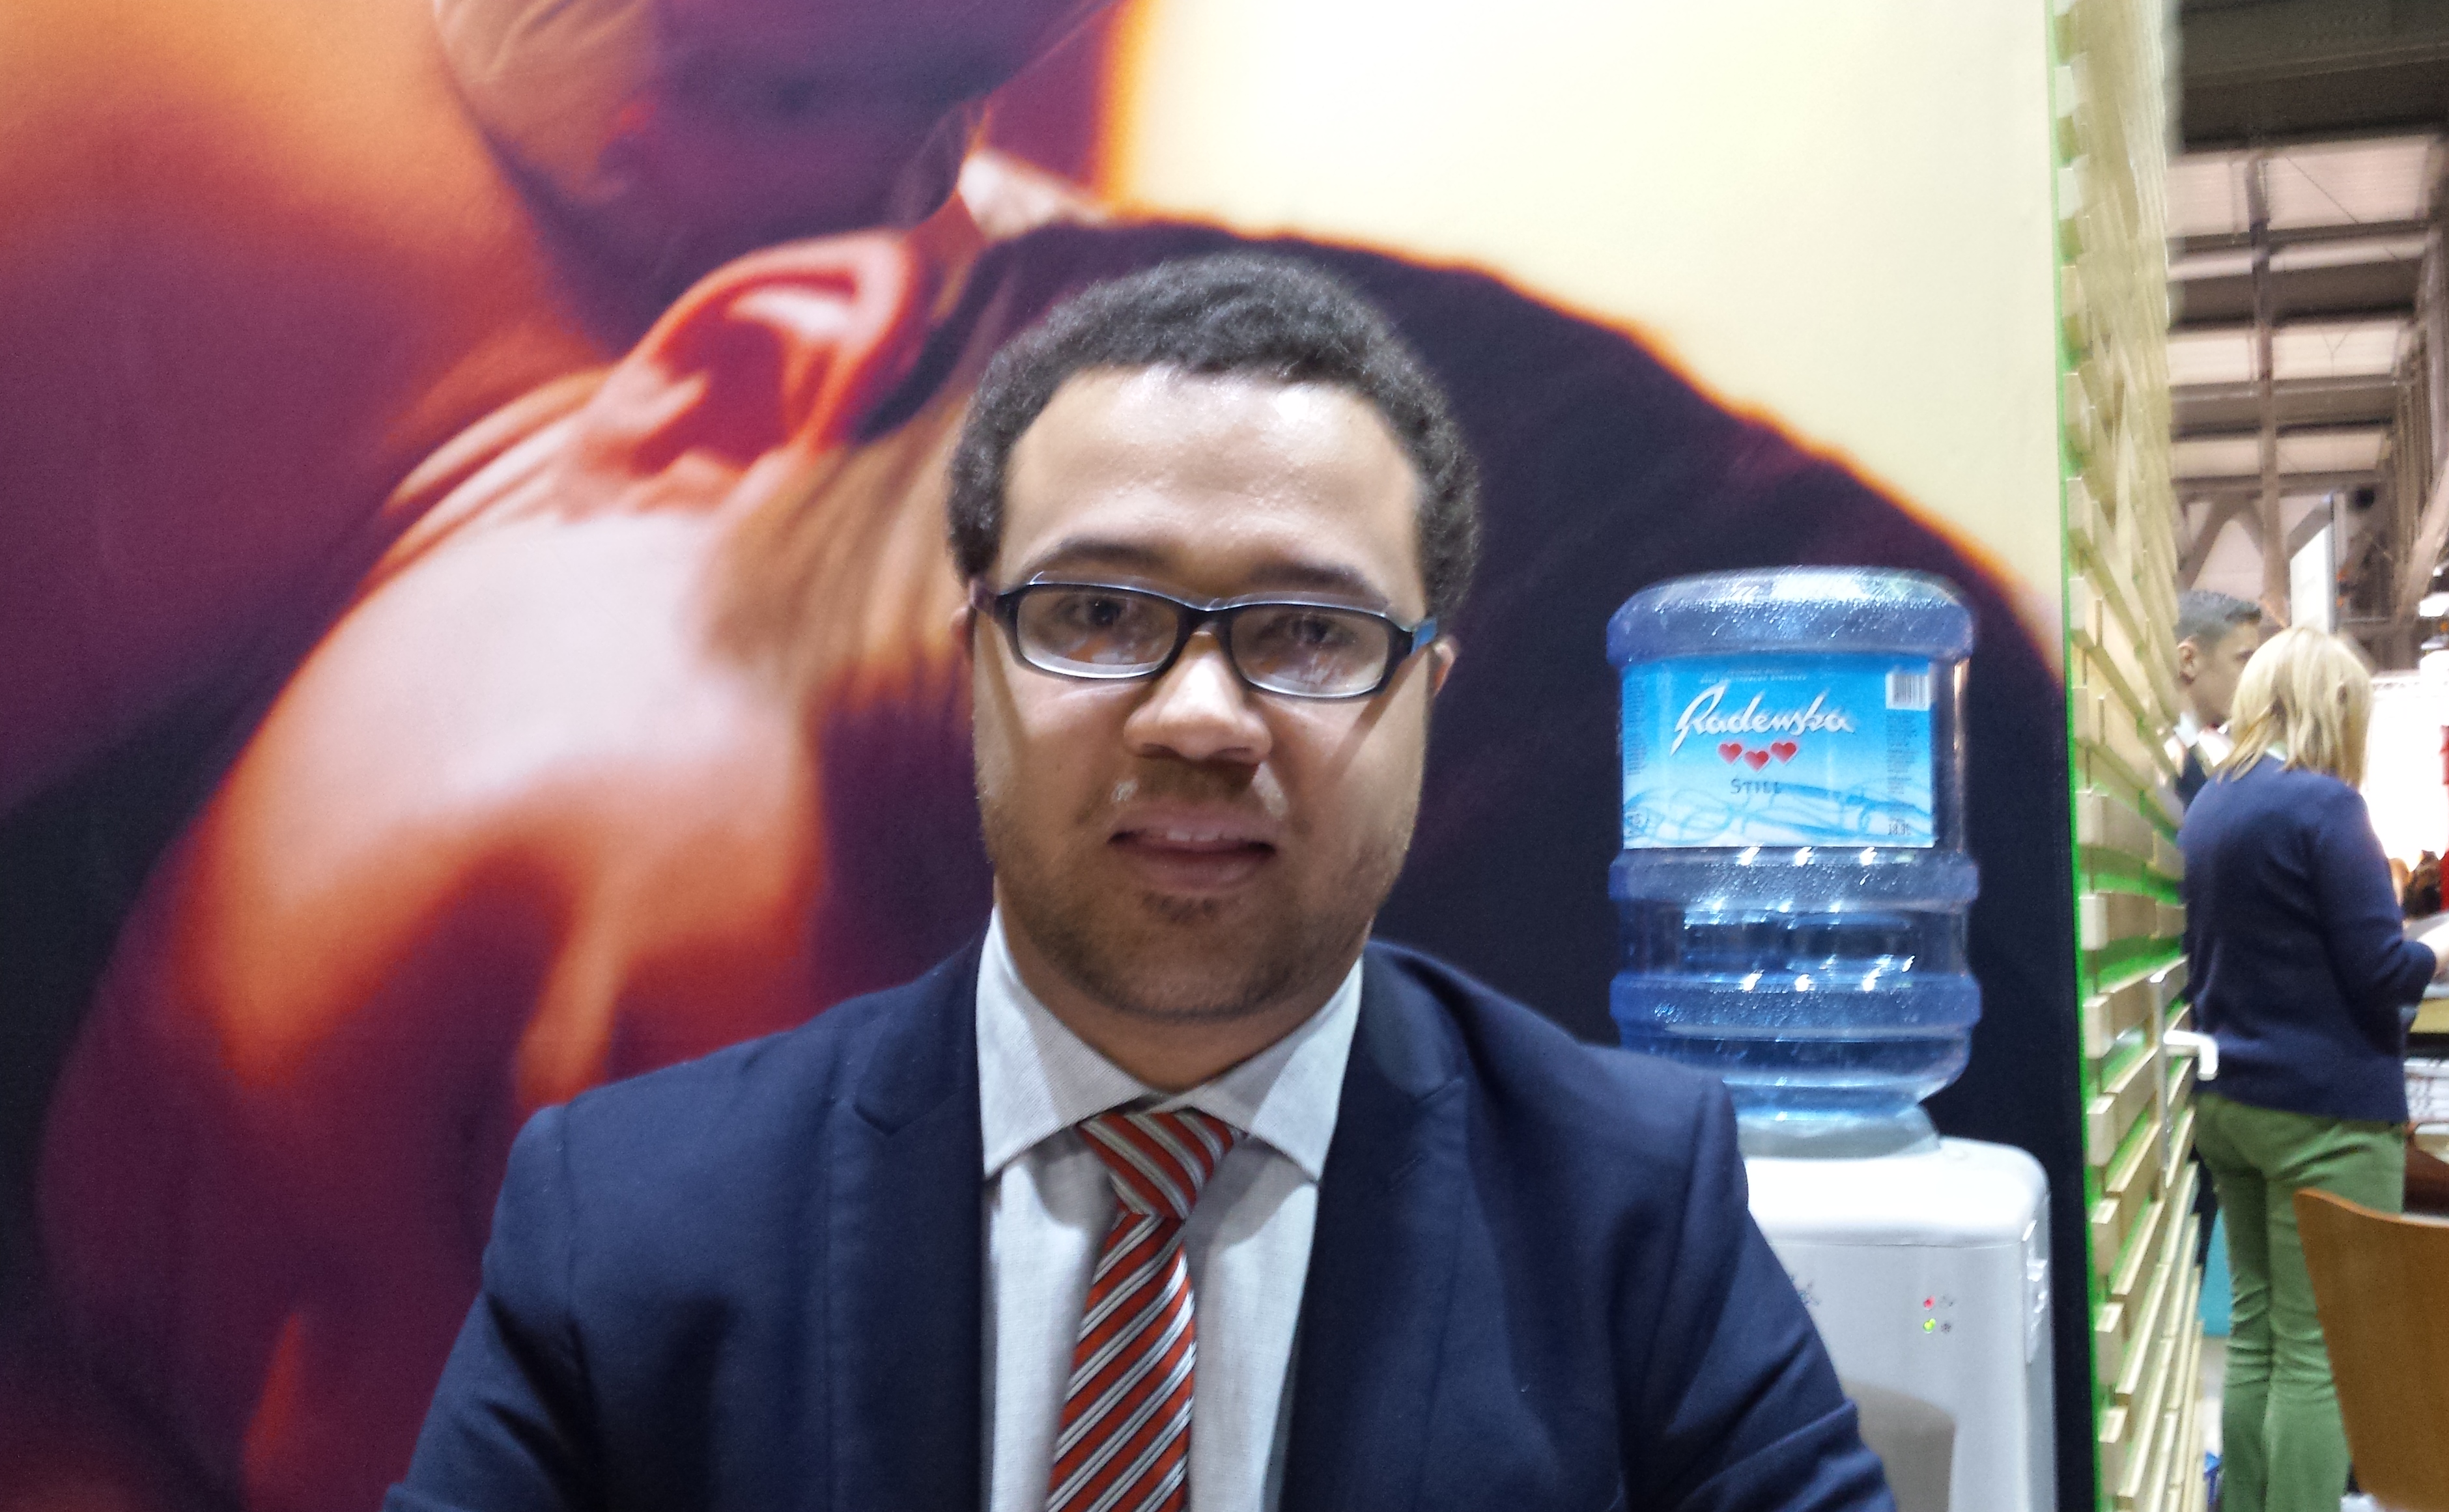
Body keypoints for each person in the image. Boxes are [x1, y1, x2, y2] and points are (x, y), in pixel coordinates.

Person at [380, 256, 1894, 1511]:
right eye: (1098, 614)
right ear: (976, 660)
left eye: (1310, 634)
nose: (1198, 717)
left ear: (1424, 699)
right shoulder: (632, 1210)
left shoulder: (1630, 1207)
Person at [2178, 626, 2449, 1512]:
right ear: (2337, 707)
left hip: (2231, 1103)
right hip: (2326, 1115)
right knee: (2321, 1352)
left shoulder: (2212, 806)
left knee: (2257, 1335)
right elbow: (2383, 973)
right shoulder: (2325, 807)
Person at [2168, 590, 2264, 809]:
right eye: (2244, 659)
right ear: (2188, 660)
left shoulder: (2201, 756)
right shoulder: (2165, 761)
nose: (2257, 677)